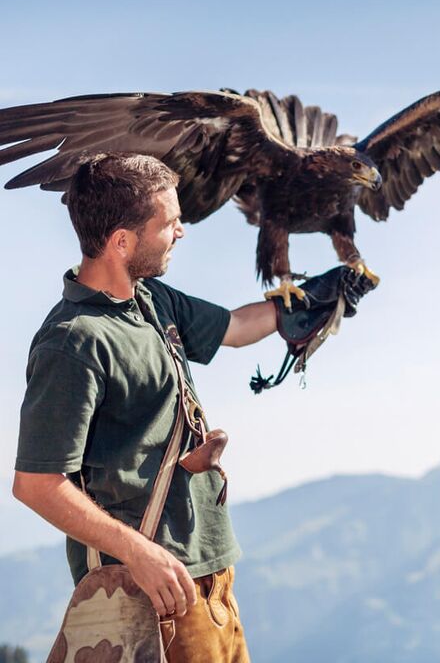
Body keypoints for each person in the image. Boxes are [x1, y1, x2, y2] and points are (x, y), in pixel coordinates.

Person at [12, 153, 282, 662]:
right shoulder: (73, 342)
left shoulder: (152, 300)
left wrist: (313, 301)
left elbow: (239, 328)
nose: (181, 232)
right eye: (170, 223)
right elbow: (37, 484)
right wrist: (140, 553)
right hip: (150, 597)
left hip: (213, 578)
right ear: (122, 241)